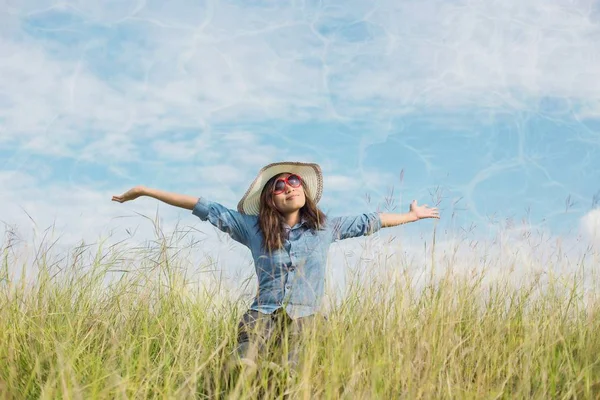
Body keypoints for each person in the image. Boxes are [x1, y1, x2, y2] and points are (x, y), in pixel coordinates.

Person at [111, 161, 439, 370]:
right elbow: (204, 206)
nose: (288, 187)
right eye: (279, 186)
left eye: (294, 181)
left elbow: (373, 219)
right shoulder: (252, 229)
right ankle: (244, 372)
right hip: (263, 311)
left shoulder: (325, 229)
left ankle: (283, 376)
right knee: (248, 349)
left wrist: (411, 216)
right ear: (270, 198)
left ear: (305, 191)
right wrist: (145, 191)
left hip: (305, 315)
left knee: (297, 354)